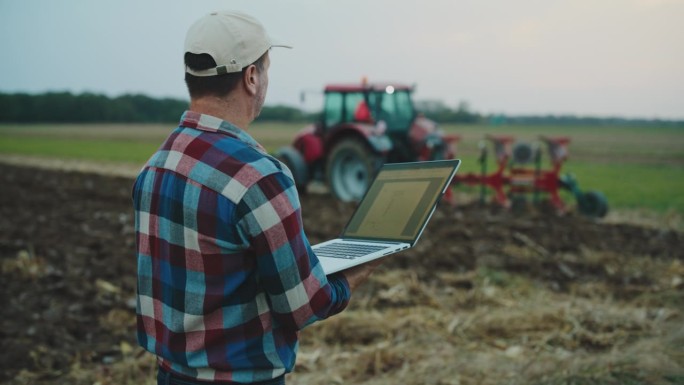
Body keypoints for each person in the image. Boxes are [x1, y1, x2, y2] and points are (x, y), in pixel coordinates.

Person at [132, 10, 380, 385]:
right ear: (251, 77)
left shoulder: (156, 166)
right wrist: (353, 277)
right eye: (265, 69)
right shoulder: (259, 176)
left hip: (170, 375)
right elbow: (302, 306)